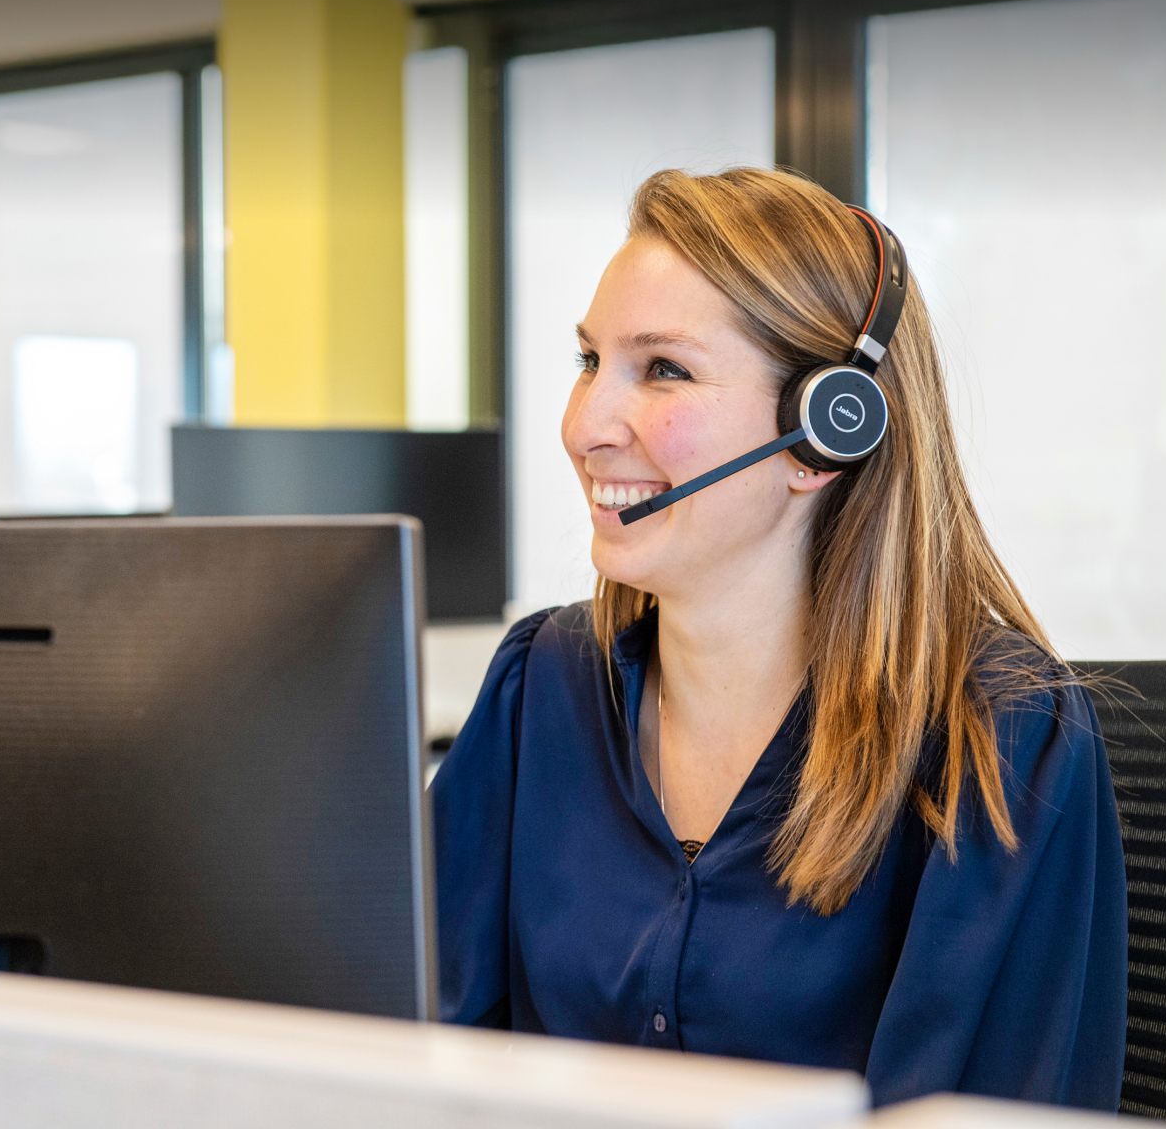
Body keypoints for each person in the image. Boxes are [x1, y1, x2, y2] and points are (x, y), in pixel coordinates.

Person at [432, 167, 1127, 1110]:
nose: (583, 426)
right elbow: (401, 1054)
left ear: (825, 432)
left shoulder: (998, 740)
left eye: (664, 369)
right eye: (590, 360)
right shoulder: (540, 688)